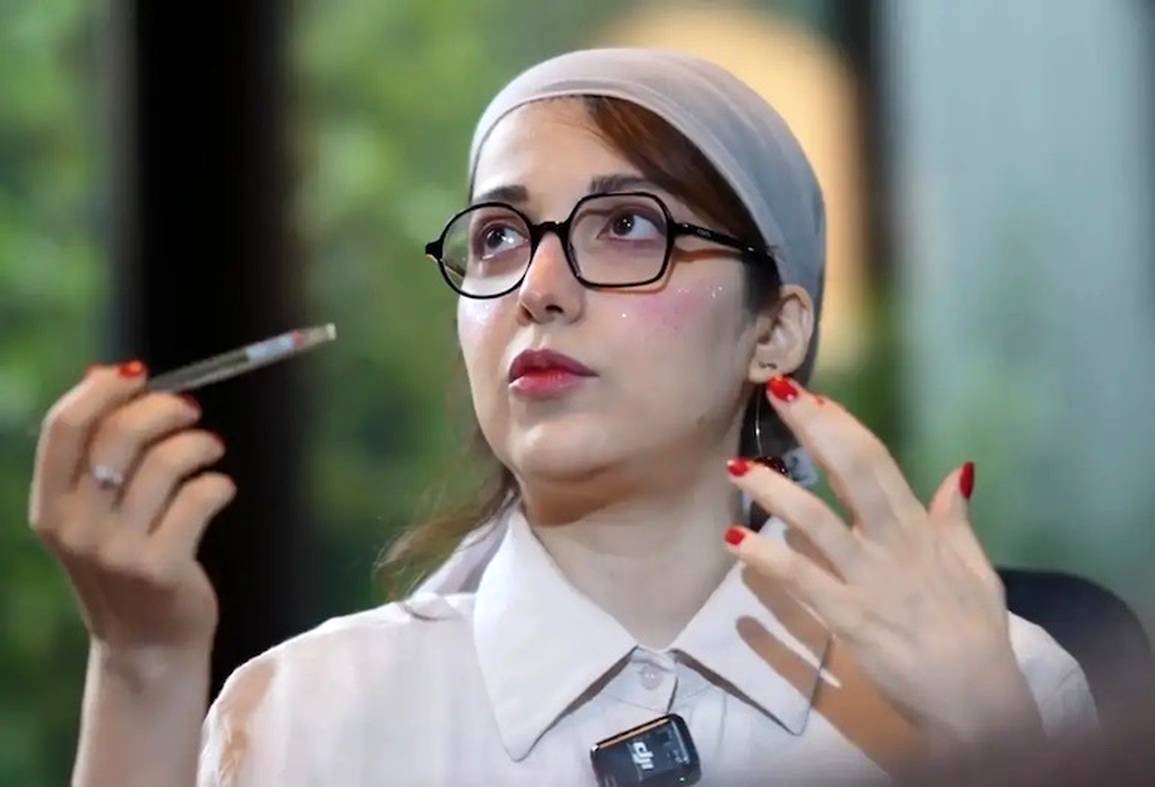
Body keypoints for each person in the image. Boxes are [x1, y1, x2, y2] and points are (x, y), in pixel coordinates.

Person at [30, 49, 1095, 786]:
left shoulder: (999, 684)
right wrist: (141, 664)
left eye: (627, 225)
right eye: (498, 236)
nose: (539, 286)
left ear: (774, 331)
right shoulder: (306, 713)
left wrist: (995, 744)